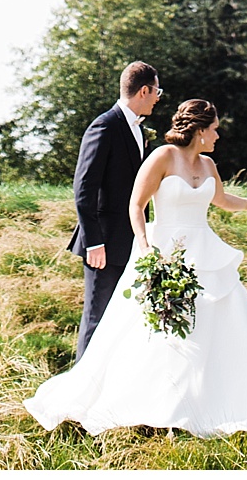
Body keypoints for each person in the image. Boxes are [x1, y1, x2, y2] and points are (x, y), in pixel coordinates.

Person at [26, 98, 247, 440]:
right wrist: (145, 249)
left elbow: (220, 198)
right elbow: (136, 204)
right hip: (163, 252)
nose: (218, 135)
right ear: (200, 130)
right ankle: (159, 401)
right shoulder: (161, 157)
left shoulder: (208, 164)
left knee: (220, 325)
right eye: (215, 129)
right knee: (156, 330)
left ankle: (215, 394)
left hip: (204, 252)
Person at [67, 61, 163, 359]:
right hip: (104, 244)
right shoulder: (105, 125)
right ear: (144, 91)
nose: (159, 97)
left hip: (129, 242)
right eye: (157, 91)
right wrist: (94, 242)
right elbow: (84, 189)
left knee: (120, 322)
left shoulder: (138, 129)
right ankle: (78, 398)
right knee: (96, 320)